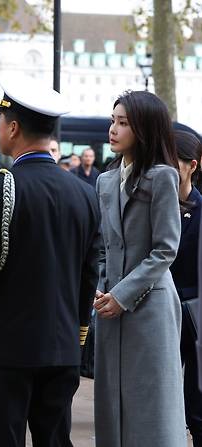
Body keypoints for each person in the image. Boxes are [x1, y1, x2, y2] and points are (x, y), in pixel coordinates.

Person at [0, 79, 100, 446]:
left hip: (5, 351)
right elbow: (87, 276)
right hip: (61, 348)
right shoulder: (83, 193)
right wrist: (76, 338)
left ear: (13, 128)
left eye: (1, 122)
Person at [94, 90, 187, 446]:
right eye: (112, 121)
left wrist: (122, 294)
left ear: (144, 128)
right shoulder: (105, 180)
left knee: (151, 402)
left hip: (151, 305)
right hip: (111, 305)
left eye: (122, 123)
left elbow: (165, 250)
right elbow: (103, 247)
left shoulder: (163, 176)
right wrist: (103, 291)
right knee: (112, 399)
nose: (113, 130)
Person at [170, 130, 202, 446]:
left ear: (191, 165)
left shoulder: (200, 209)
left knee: (196, 404)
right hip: (158, 314)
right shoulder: (150, 206)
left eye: (173, 160)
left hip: (192, 320)